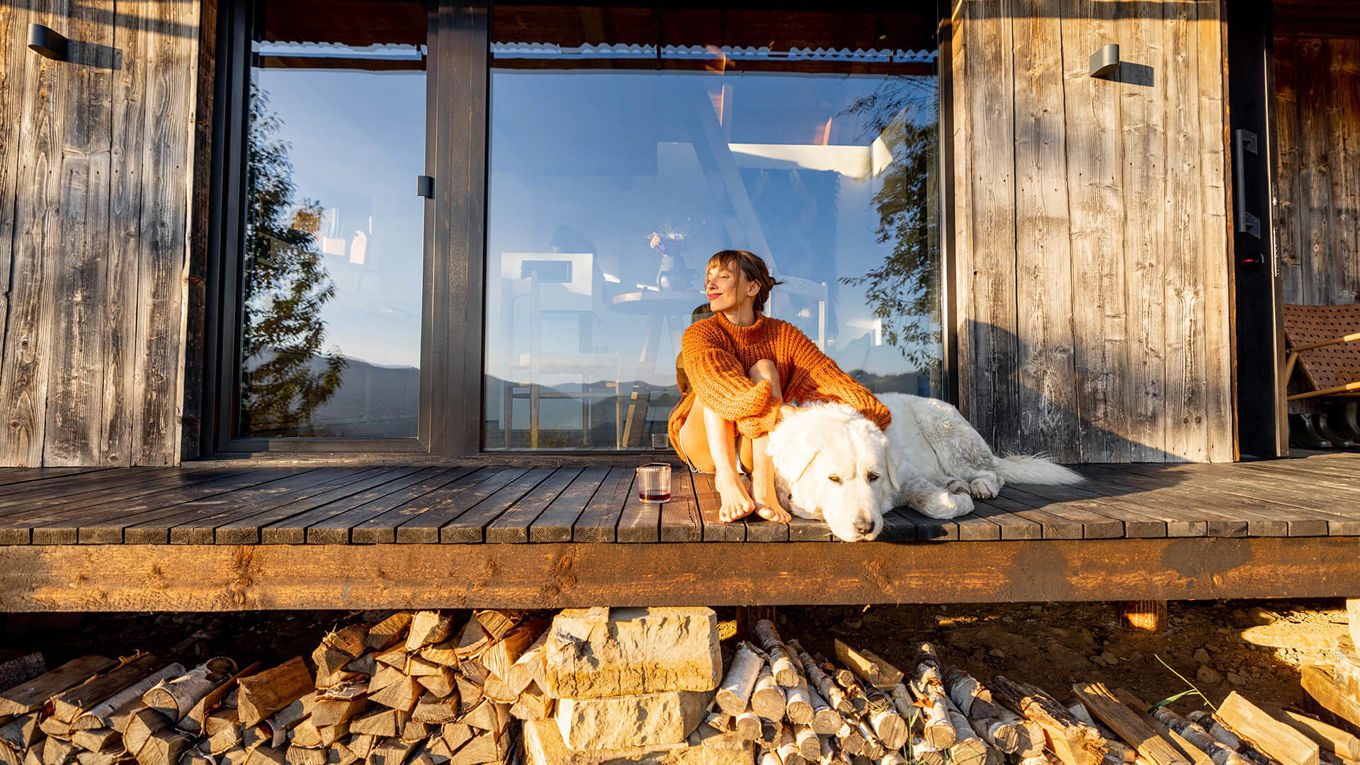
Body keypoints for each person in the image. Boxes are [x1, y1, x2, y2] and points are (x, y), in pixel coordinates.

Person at [666, 249, 891, 523]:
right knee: (713, 385)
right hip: (706, 445)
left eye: (722, 276)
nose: (709, 285)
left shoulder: (783, 335)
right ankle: (727, 479)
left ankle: (762, 483)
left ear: (752, 287)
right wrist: (785, 412)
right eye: (708, 277)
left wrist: (863, 417)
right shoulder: (701, 333)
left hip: (754, 448)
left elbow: (828, 378)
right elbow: (719, 387)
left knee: (764, 367)